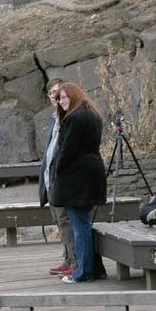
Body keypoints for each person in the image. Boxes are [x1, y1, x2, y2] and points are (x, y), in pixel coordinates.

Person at [49, 82, 107, 284]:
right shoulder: (91, 113)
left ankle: (83, 272)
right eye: (59, 98)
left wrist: (56, 169)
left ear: (74, 96)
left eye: (65, 97)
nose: (61, 101)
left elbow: (67, 151)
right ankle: (95, 269)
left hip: (77, 179)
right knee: (84, 223)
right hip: (91, 173)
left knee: (80, 225)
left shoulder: (74, 118)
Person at [38, 78, 76, 277]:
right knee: (59, 222)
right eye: (51, 94)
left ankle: (75, 262)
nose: (55, 97)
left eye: (58, 93)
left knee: (67, 222)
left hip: (63, 181)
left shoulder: (71, 117)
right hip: (50, 180)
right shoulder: (54, 118)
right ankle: (67, 259)